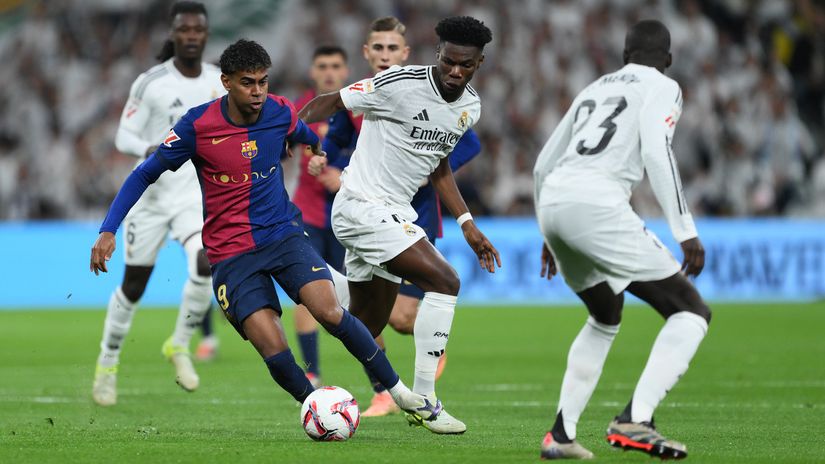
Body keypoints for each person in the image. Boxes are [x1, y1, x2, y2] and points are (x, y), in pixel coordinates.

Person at [89, 39, 440, 422]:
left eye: (263, 82)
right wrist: (109, 230)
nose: (257, 92)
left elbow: (307, 133)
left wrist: (314, 150)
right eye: (247, 83)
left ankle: (402, 394)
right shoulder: (197, 125)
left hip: (283, 236)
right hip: (231, 253)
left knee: (330, 311)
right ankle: (315, 407)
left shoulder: (279, 112)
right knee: (271, 344)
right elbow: (143, 174)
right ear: (225, 82)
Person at [299, 16, 498, 435]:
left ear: (479, 63)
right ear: (438, 53)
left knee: (365, 324)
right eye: (448, 62)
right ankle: (425, 398)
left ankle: (301, 277)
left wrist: (466, 223)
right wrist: (298, 137)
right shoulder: (399, 83)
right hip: (361, 206)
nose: (455, 72)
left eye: (465, 65)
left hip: (395, 213)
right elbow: (331, 102)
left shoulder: (469, 107)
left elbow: (439, 164)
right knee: (445, 280)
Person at [533, 19, 710, 460]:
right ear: (667, 60)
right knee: (690, 309)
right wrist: (685, 230)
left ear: (624, 55)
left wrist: (549, 231)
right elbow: (656, 151)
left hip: (554, 202)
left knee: (606, 311)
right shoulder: (663, 86)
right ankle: (636, 419)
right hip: (597, 204)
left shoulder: (593, 88)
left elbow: (541, 166)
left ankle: (561, 434)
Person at [92, 1, 221, 406]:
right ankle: (107, 363)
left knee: (205, 262)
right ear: (173, 33)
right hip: (149, 196)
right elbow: (122, 136)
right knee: (133, 286)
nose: (191, 36)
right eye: (184, 29)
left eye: (198, 29)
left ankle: (180, 343)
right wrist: (150, 146)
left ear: (205, 33)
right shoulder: (151, 83)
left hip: (191, 195)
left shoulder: (219, 82)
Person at [290, 45, 351, 388]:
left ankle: (376, 377)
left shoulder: (359, 109)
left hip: (348, 218)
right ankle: (311, 371)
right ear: (313, 71)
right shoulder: (300, 109)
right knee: (306, 291)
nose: (329, 72)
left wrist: (345, 176)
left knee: (358, 299)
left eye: (335, 66)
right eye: (322, 66)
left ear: (345, 71)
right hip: (309, 214)